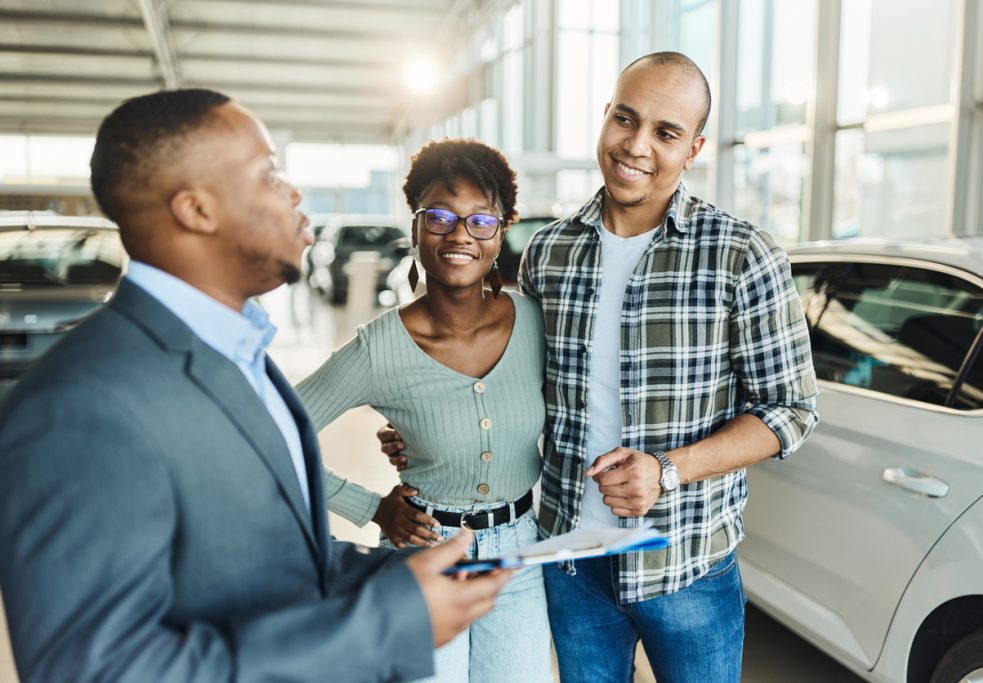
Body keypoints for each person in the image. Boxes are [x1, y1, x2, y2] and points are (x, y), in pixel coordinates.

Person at [0, 89, 512, 683]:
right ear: (196, 210)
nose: (294, 193)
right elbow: (98, 670)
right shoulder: (82, 404)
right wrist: (382, 622)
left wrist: (391, 578)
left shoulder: (241, 354)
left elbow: (264, 556)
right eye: (269, 173)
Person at [381, 52, 819, 682]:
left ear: (693, 149)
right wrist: (432, 428)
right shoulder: (550, 252)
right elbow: (514, 381)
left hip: (687, 564)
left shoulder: (742, 256)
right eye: (625, 118)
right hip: (570, 561)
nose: (636, 145)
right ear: (606, 116)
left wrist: (669, 470)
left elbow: (793, 411)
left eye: (665, 133)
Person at [295, 138, 552, 683]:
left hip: (519, 558)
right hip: (421, 557)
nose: (459, 235)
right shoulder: (377, 349)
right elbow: (267, 439)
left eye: (481, 220)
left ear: (501, 230)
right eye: (438, 216)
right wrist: (370, 506)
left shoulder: (535, 322)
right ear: (413, 226)